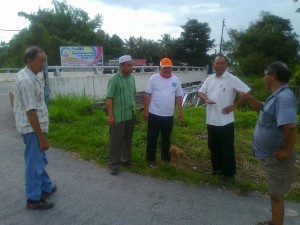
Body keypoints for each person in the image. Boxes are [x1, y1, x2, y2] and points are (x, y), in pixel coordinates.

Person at [235, 61, 297, 225]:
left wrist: (286, 151)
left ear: (273, 76)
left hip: (276, 157)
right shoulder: (276, 95)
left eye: (265, 73)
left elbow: (290, 127)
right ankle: (274, 221)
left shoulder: (284, 98)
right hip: (270, 156)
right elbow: (262, 109)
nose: (264, 77)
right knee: (274, 193)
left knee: (277, 196)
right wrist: (248, 98)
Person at [13, 46, 56, 210]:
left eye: (44, 60)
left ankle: (45, 186)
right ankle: (33, 199)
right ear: (29, 61)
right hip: (32, 130)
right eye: (41, 61)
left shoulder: (27, 75)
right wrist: (41, 138)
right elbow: (31, 112)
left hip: (32, 128)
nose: (44, 64)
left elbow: (12, 97)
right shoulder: (27, 81)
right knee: (33, 164)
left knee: (39, 160)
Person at [198, 55, 251, 181]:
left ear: (226, 65)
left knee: (227, 148)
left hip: (225, 121)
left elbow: (247, 92)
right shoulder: (210, 78)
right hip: (211, 119)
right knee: (213, 146)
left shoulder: (232, 79)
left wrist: (234, 106)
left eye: (222, 63)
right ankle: (216, 169)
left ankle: (229, 173)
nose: (220, 65)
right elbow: (200, 92)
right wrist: (206, 99)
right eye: (217, 63)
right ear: (213, 64)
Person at [143, 58, 184, 168]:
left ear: (171, 67)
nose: (167, 69)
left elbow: (179, 96)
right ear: (160, 68)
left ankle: (165, 158)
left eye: (169, 67)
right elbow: (148, 95)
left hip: (168, 115)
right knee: (152, 137)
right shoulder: (153, 78)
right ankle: (151, 160)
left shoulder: (176, 80)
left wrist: (180, 112)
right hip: (154, 113)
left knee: (166, 138)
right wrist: (146, 111)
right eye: (164, 67)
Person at [106, 55, 137, 175]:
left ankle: (126, 159)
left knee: (128, 139)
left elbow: (133, 94)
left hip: (130, 114)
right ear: (121, 66)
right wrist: (110, 116)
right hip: (118, 116)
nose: (132, 67)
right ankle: (113, 164)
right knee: (116, 141)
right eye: (129, 65)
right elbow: (109, 99)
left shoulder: (131, 78)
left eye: (132, 65)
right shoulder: (114, 79)